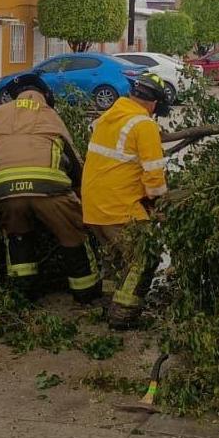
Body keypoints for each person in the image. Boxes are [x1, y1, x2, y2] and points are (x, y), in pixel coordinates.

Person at [0, 73, 101, 302]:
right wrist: (80, 193)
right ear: (45, 96)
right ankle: (85, 292)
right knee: (72, 235)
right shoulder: (50, 115)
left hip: (6, 191)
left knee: (17, 235)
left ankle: (23, 291)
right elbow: (74, 162)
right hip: (50, 190)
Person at [81, 72, 171, 328]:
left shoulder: (107, 116)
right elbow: (154, 177)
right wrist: (159, 204)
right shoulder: (143, 125)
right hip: (119, 208)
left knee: (115, 258)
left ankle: (109, 302)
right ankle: (122, 314)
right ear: (153, 103)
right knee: (145, 256)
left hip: (93, 208)